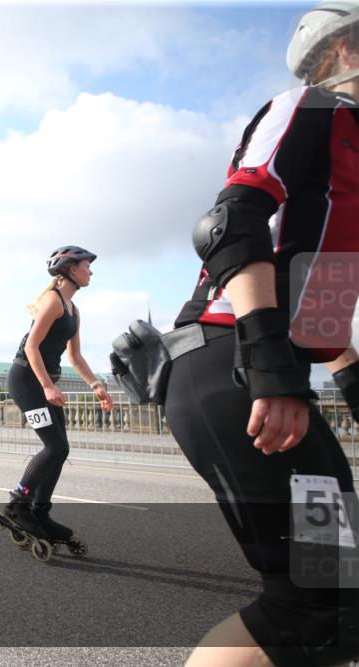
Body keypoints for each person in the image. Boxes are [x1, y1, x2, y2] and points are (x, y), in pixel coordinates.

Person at [165, 3, 359, 664]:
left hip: (261, 366)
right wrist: (274, 371)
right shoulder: (310, 107)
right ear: (339, 51)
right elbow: (230, 221)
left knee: (342, 597)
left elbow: (323, 306)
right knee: (313, 601)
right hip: (231, 361)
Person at [3, 246, 114, 544]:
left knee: (60, 449)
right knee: (54, 448)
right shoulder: (52, 301)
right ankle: (17, 504)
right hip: (27, 380)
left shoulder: (74, 310)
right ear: (70, 269)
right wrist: (48, 386)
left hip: (45, 382)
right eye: (86, 266)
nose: (91, 271)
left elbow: (75, 356)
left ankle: (39, 512)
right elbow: (31, 346)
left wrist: (96, 385)